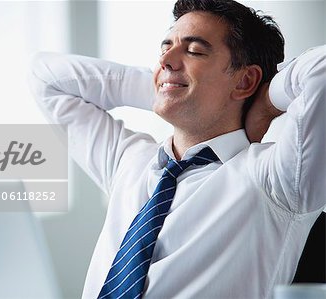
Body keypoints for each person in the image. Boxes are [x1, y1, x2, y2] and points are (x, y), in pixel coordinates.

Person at [29, 0, 326, 297]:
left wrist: (265, 103)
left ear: (246, 80)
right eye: (165, 47)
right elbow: (47, 78)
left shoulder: (274, 180)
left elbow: (321, 71)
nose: (166, 59)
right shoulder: (130, 160)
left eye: (195, 50)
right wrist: (166, 85)